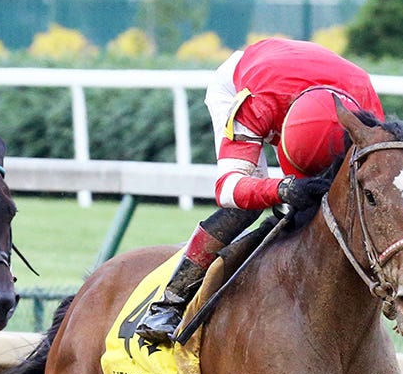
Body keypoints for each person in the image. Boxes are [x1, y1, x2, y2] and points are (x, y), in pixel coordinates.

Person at [135, 37, 385, 345]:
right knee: (247, 207)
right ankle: (168, 305)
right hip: (246, 82)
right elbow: (228, 188)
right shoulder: (256, 104)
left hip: (311, 88)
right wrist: (282, 188)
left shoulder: (366, 106)